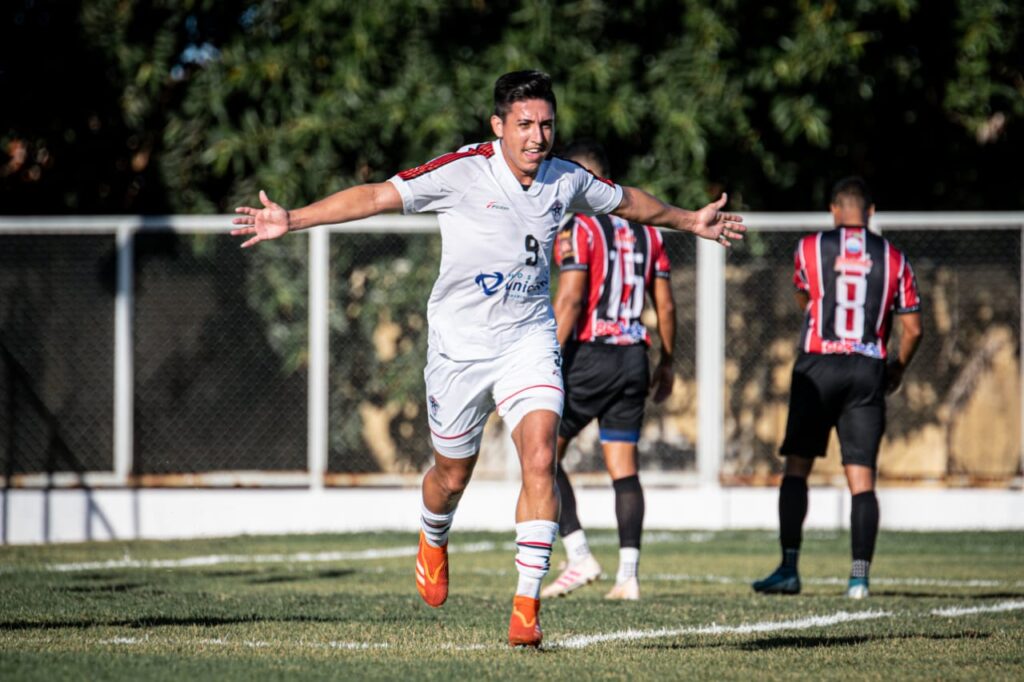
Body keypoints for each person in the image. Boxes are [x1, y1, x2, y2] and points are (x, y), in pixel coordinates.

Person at [232, 70, 745, 646]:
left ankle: (526, 605)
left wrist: (688, 220)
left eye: (547, 124)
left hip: (528, 341)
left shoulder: (565, 179)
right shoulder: (461, 171)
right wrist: (293, 218)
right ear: (498, 126)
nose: (538, 136)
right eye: (524, 124)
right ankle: (433, 532)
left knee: (540, 452)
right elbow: (376, 195)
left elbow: (626, 202)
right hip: (459, 349)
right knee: (451, 476)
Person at [753, 177, 922, 600]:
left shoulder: (809, 247)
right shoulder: (895, 258)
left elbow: (804, 297)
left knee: (797, 467)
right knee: (862, 479)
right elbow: (914, 328)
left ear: (833, 209)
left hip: (817, 365)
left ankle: (789, 568)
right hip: (867, 367)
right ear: (871, 211)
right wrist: (896, 367)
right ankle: (859, 578)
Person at [540, 140, 676, 601]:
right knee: (624, 469)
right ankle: (629, 576)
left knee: (540, 454)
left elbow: (571, 299)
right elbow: (666, 304)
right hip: (634, 357)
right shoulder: (648, 231)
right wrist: (669, 360)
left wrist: (548, 355)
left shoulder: (579, 227)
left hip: (590, 357)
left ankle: (579, 557)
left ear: (586, 179)